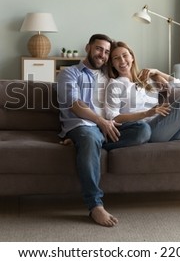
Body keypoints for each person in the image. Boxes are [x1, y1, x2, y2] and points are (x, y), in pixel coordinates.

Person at [57, 34, 151, 227]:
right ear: (88, 48)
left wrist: (155, 74)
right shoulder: (70, 73)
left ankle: (84, 145)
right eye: (99, 49)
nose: (103, 54)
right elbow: (75, 104)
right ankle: (95, 206)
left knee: (143, 130)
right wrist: (101, 122)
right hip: (83, 125)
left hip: (107, 127)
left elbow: (133, 80)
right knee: (89, 137)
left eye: (107, 52)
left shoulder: (109, 75)